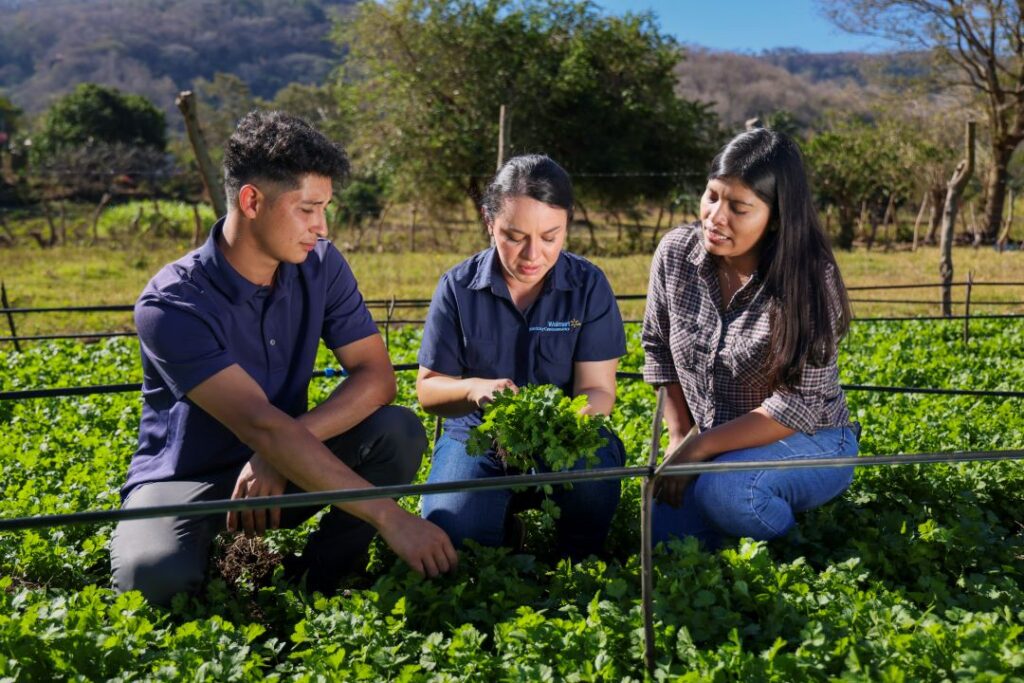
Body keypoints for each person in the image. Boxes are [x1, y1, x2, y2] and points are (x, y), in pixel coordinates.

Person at [110, 111, 457, 605]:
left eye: (325, 209)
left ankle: (322, 579)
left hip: (286, 462)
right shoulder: (171, 304)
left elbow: (377, 378)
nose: (322, 227)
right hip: (188, 479)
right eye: (308, 209)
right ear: (251, 201)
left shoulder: (322, 264)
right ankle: (196, 564)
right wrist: (390, 517)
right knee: (153, 577)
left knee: (396, 432)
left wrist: (281, 450)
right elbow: (260, 423)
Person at [642, 128, 858, 550]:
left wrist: (700, 448)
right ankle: (738, 532)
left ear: (775, 217)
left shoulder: (808, 279)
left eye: (739, 208)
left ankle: (798, 553)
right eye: (711, 196)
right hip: (712, 440)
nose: (715, 217)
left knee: (727, 492)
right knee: (661, 537)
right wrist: (680, 438)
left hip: (811, 438)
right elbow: (658, 347)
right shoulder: (676, 254)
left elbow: (795, 406)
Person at [417, 154, 626, 559]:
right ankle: (501, 530)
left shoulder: (588, 285)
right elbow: (428, 390)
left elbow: (598, 390)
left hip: (564, 432)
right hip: (476, 436)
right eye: (514, 237)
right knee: (457, 529)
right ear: (489, 222)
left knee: (592, 479)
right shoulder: (458, 287)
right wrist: (473, 389)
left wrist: (560, 432)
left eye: (550, 237)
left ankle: (577, 560)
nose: (532, 255)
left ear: (567, 224)